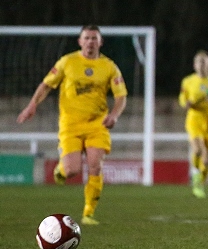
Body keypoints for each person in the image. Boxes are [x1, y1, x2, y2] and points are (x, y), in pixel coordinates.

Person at [17, 25, 128, 226]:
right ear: (80, 41)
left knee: (95, 165)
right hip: (70, 124)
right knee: (72, 171)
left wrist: (114, 115)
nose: (90, 42)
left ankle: (88, 213)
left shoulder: (109, 66)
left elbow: (121, 96)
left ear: (100, 42)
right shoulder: (68, 62)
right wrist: (32, 104)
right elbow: (47, 84)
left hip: (97, 124)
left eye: (94, 38)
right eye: (87, 38)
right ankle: (61, 169)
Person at [179, 50, 208, 199]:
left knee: (207, 157)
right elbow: (183, 99)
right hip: (194, 119)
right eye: (199, 62)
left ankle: (200, 182)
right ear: (194, 65)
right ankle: (195, 177)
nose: (201, 65)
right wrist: (185, 103)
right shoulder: (188, 81)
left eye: (204, 62)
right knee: (198, 149)